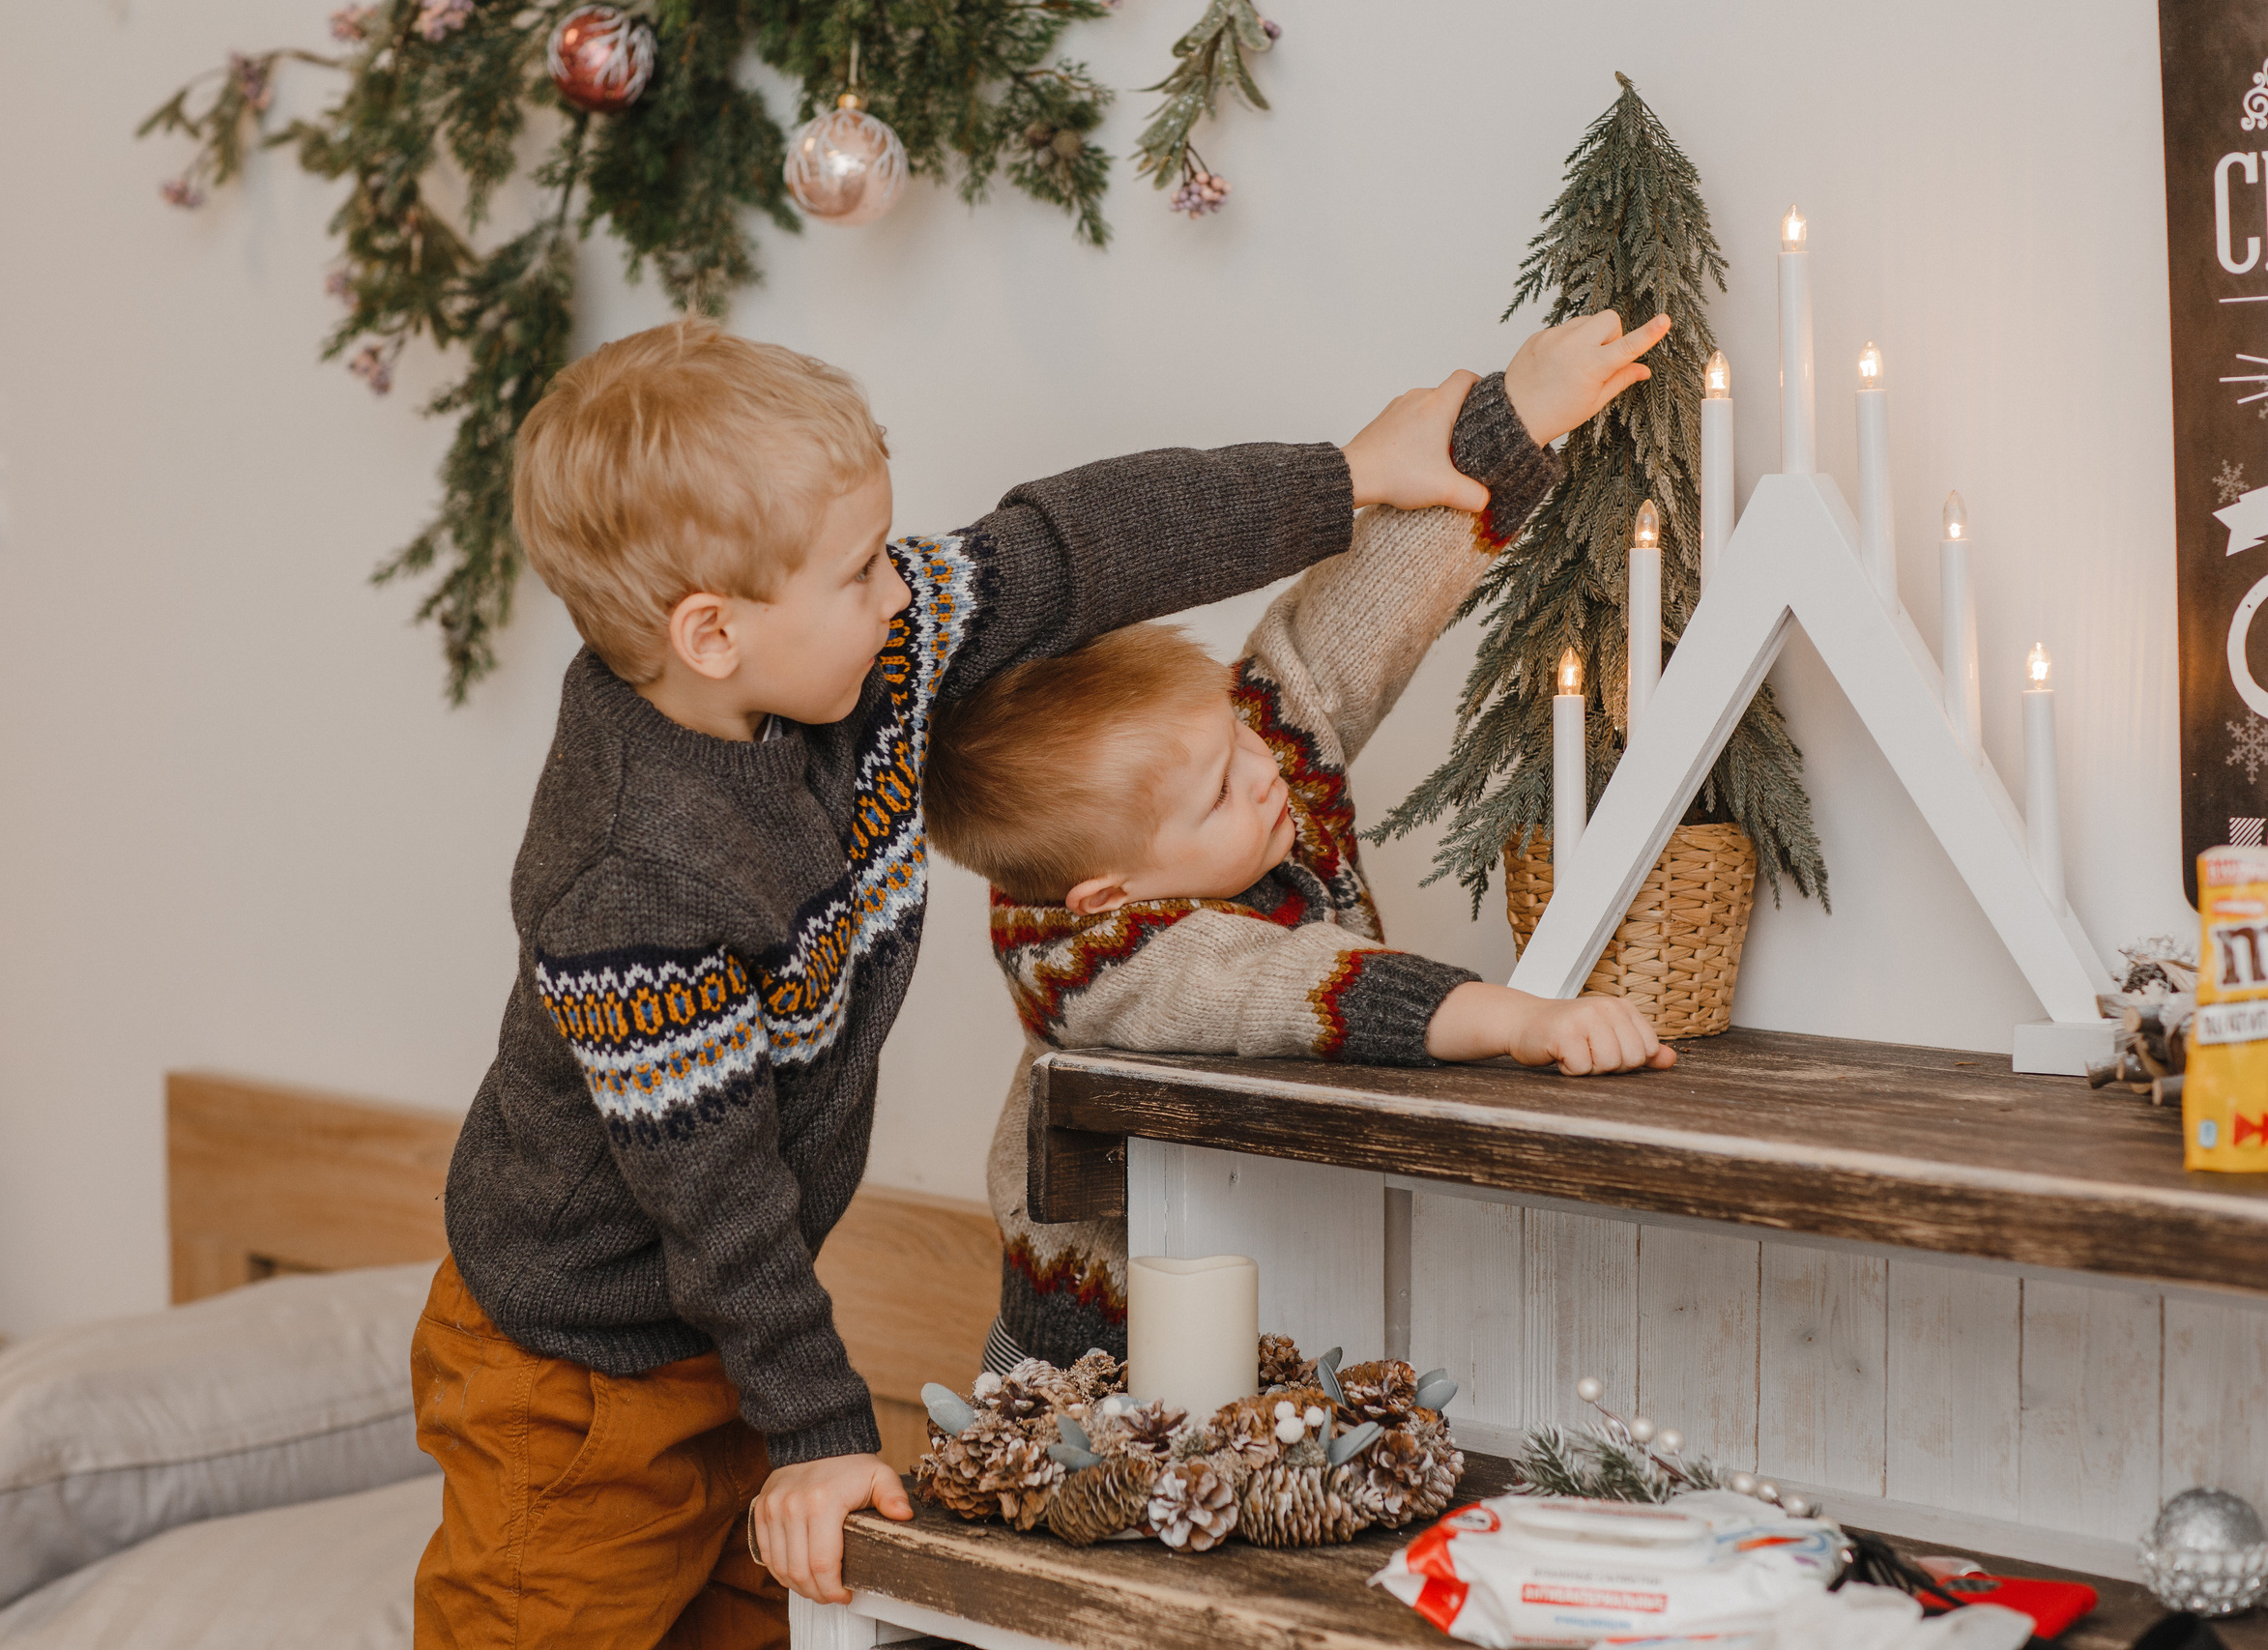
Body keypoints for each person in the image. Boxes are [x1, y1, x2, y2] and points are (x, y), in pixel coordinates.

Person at [407, 311, 1655, 1647]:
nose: (899, 591)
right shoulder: (631, 882)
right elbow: (715, 1200)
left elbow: (1078, 546)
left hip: (725, 1334)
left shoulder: (869, 663)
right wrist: (823, 1432)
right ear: (712, 632)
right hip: (571, 1369)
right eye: (857, 572)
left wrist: (1352, 471)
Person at [920, 328, 1679, 1379]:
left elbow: (1347, 629)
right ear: (1109, 892)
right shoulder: (1112, 967)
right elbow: (1296, 984)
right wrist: (1521, 1020)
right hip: (1101, 1358)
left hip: (1262, 1297)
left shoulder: (1233, 764)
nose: (1261, 770)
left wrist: (1515, 419)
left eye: (1235, 732)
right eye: (1218, 794)